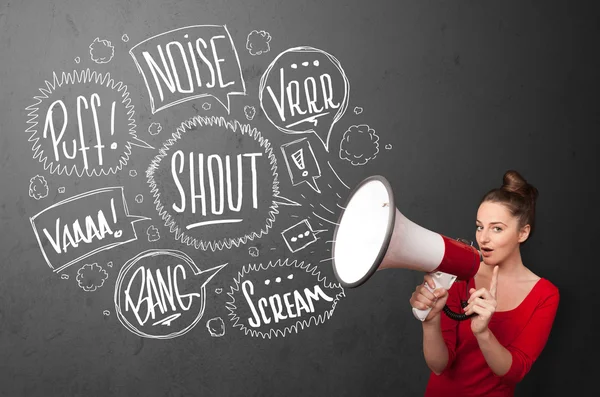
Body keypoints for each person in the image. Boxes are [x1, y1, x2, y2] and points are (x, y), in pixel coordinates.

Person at [409, 170, 560, 397]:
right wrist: (430, 321)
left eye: (497, 228)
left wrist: (483, 333)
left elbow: (514, 372)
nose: (483, 238)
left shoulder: (545, 295)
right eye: (480, 226)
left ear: (523, 233)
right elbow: (439, 365)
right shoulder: (459, 274)